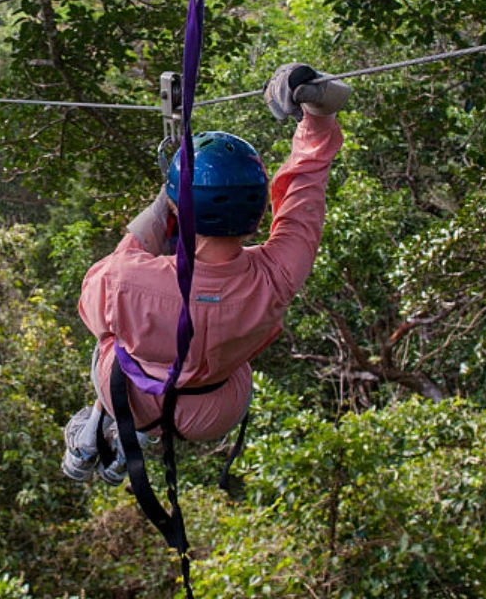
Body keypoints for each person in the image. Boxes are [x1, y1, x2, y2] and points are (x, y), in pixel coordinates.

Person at [62, 62, 351, 483]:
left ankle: (102, 433)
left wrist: (168, 199)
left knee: (110, 338)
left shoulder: (123, 278)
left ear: (180, 208)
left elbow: (102, 295)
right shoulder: (276, 277)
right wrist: (318, 114)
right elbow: (304, 187)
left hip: (131, 397)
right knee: (232, 366)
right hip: (212, 412)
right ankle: (132, 439)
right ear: (258, 211)